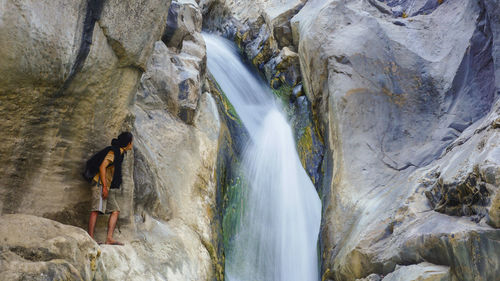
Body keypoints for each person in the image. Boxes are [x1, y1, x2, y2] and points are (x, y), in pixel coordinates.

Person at [87, 132, 133, 245]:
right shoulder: (114, 152)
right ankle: (90, 239)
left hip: (107, 185)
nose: (132, 144)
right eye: (132, 141)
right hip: (100, 184)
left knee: (115, 210)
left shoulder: (121, 153)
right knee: (96, 210)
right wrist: (104, 187)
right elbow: (102, 166)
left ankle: (109, 238)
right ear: (128, 143)